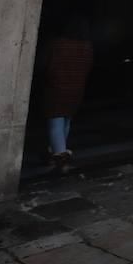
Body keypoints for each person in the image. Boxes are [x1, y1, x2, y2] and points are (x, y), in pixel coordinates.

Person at [41, 15, 94, 171]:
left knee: (55, 121)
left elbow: (45, 64)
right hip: (76, 87)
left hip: (56, 87)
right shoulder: (87, 46)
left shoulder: (57, 44)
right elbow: (88, 67)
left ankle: (60, 156)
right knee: (66, 120)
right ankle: (57, 150)